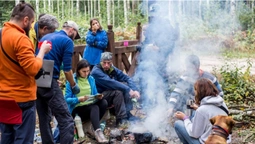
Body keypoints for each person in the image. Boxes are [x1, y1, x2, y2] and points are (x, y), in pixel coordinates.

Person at [0, 2, 51, 143]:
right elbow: (33, 69)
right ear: (26, 20)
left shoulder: (1, 34)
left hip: (3, 98)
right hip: (21, 99)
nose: (32, 25)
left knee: (7, 138)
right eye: (32, 22)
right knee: (23, 140)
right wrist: (42, 52)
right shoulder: (21, 38)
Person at [36, 21, 81, 144]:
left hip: (36, 78)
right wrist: (73, 85)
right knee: (67, 120)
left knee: (44, 118)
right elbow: (67, 70)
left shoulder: (46, 36)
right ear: (71, 30)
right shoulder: (67, 41)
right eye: (75, 34)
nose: (74, 38)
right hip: (49, 81)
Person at [90, 52, 140, 126]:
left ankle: (128, 113)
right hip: (99, 96)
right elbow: (111, 82)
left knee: (125, 86)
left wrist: (135, 90)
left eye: (108, 63)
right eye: (104, 63)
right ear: (100, 62)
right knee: (118, 92)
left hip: (109, 93)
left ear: (111, 63)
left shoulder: (112, 69)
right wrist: (129, 90)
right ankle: (121, 119)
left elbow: (126, 78)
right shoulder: (96, 72)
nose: (106, 65)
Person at [173, 78, 229, 144]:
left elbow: (194, 134)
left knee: (178, 124)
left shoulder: (202, 110)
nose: (195, 93)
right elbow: (210, 112)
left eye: (196, 90)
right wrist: (198, 108)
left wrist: (185, 118)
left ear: (200, 92)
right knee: (194, 114)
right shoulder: (222, 104)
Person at [65, 59, 108, 143]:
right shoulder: (72, 80)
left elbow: (94, 93)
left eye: (88, 71)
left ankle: (94, 126)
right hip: (77, 108)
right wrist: (78, 99)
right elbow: (67, 99)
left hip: (89, 104)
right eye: (83, 71)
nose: (86, 73)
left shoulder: (91, 79)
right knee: (94, 107)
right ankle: (98, 133)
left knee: (104, 102)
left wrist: (98, 96)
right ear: (78, 70)